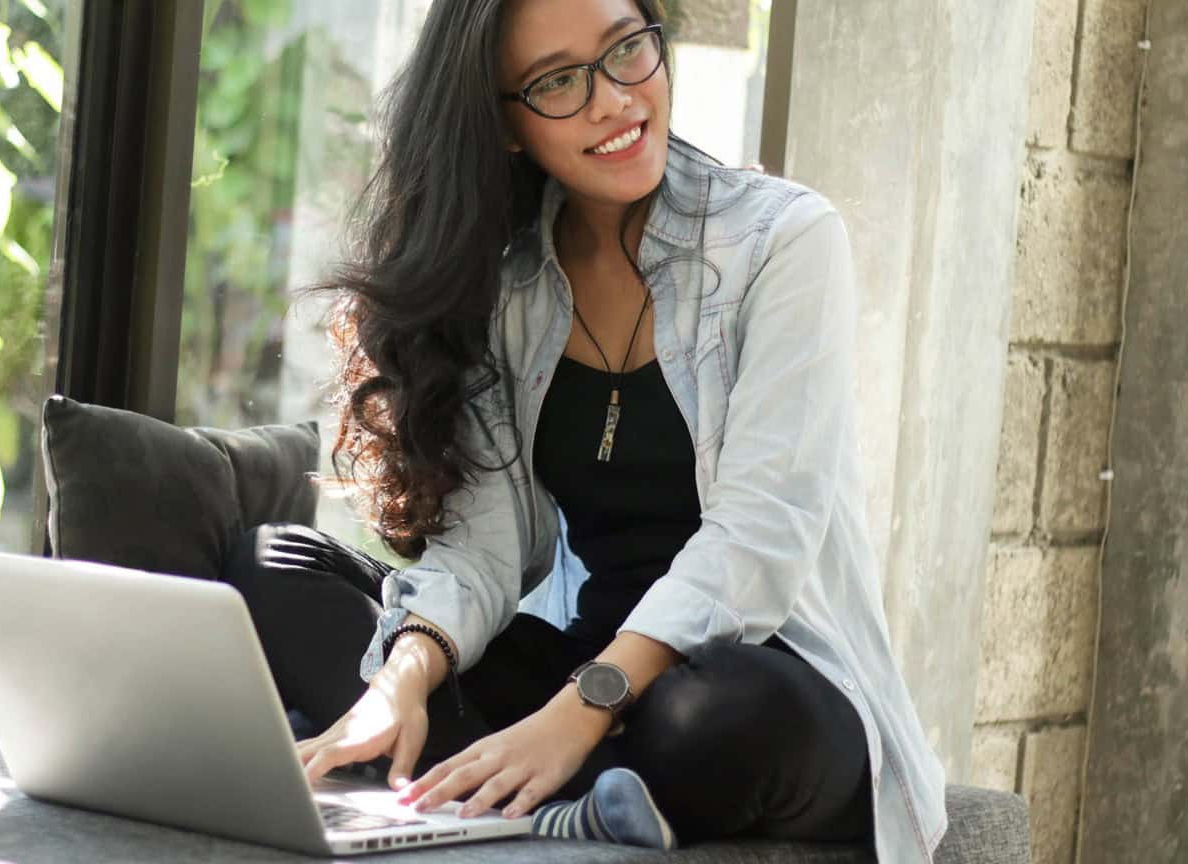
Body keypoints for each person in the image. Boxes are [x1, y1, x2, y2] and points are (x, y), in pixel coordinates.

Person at [216, 0, 947, 861]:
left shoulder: (781, 240)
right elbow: (484, 554)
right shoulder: (506, 285)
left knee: (705, 713)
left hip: (764, 680)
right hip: (583, 663)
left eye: (626, 49)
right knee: (274, 567)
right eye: (558, 80)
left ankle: (537, 776)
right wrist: (399, 680)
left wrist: (576, 712)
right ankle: (544, 786)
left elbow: (761, 536)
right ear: (505, 125)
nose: (613, 99)